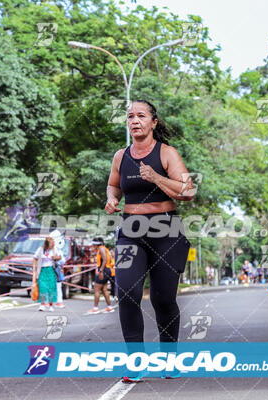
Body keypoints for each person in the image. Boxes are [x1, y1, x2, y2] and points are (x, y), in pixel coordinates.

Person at [105, 100, 194, 382]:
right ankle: (136, 362)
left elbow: (187, 191)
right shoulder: (121, 156)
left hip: (165, 229)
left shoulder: (166, 153)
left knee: (163, 299)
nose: (135, 120)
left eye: (141, 116)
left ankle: (170, 360)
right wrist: (111, 199)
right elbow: (113, 184)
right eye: (130, 116)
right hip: (130, 229)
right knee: (127, 293)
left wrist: (156, 177)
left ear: (153, 122)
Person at [33, 236, 62, 312]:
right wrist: (34, 270)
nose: (52, 245)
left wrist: (55, 258)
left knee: (51, 288)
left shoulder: (54, 250)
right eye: (51, 244)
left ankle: (51, 305)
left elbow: (60, 257)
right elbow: (35, 258)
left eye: (53, 244)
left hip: (51, 270)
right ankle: (42, 304)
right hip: (42, 270)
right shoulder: (40, 249)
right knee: (42, 288)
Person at [86, 238, 115, 314]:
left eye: (93, 244)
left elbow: (105, 260)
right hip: (107, 270)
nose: (93, 246)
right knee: (104, 289)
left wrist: (101, 271)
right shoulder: (104, 248)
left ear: (96, 244)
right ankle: (109, 307)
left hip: (104, 270)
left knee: (96, 289)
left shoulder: (101, 249)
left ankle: (95, 308)